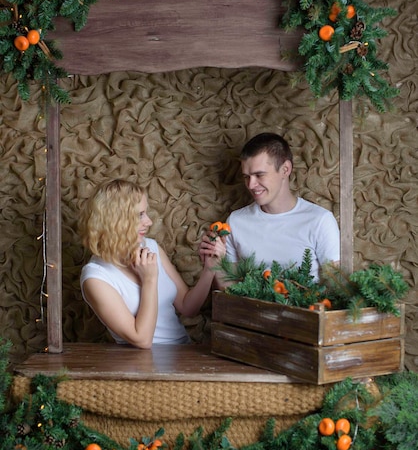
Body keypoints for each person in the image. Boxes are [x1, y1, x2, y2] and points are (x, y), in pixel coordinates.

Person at [79, 179, 226, 348]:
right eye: (139, 215)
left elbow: (188, 308)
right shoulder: (96, 277)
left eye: (146, 212)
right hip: (142, 364)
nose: (149, 221)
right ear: (115, 221)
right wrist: (149, 279)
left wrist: (210, 268)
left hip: (184, 353)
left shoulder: (151, 247)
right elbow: (141, 340)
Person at [214, 132, 340, 284]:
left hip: (306, 306)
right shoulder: (235, 221)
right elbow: (229, 289)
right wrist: (216, 261)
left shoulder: (320, 220)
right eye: (246, 176)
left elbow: (336, 285)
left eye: (259, 175)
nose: (251, 185)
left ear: (285, 170)